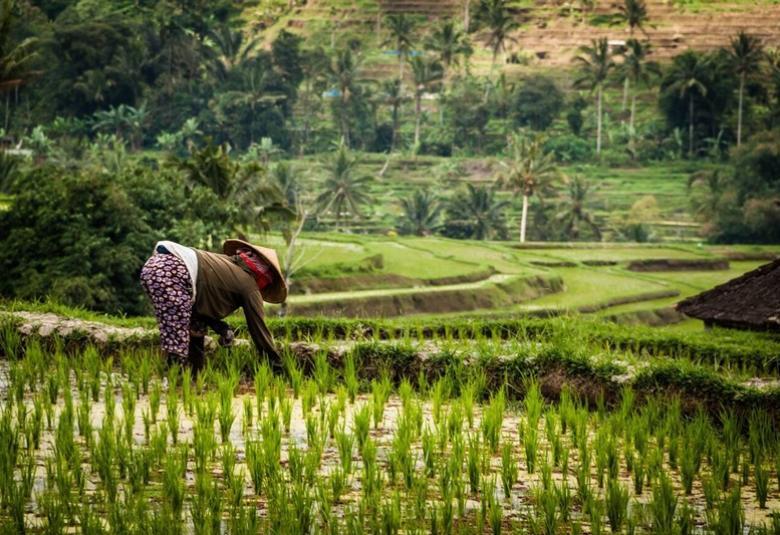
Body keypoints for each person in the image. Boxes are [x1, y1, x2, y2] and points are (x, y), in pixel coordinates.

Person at [140, 238, 286, 371]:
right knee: (177, 336)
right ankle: (175, 383)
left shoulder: (224, 264)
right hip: (172, 271)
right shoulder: (248, 285)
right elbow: (258, 328)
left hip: (156, 266)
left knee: (195, 327)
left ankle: (194, 377)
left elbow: (198, 309)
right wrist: (276, 366)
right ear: (264, 276)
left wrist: (221, 328)